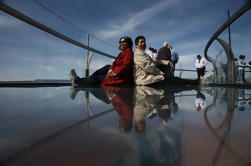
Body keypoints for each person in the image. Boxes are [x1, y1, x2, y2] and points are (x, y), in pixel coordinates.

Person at [133, 36, 199, 87]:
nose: (143, 43)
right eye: (141, 42)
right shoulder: (138, 53)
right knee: (174, 81)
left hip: (150, 79)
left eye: (144, 42)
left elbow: (155, 62)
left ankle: (194, 82)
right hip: (146, 81)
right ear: (136, 45)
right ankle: (195, 82)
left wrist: (167, 62)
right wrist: (162, 74)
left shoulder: (144, 54)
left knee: (174, 80)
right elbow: (148, 67)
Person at [69, 36, 134, 87]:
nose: (121, 43)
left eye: (124, 41)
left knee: (98, 78)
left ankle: (76, 80)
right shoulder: (122, 53)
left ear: (129, 43)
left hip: (119, 78)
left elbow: (125, 66)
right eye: (120, 42)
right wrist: (110, 69)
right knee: (107, 66)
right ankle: (88, 79)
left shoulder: (129, 53)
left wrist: (113, 73)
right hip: (116, 73)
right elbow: (114, 64)